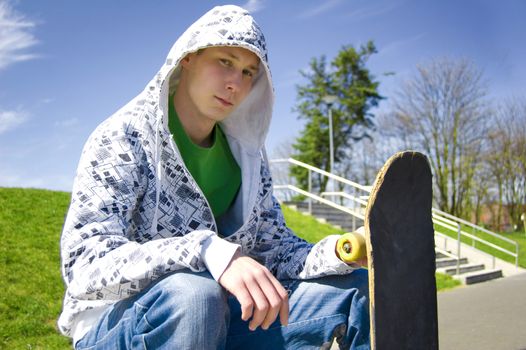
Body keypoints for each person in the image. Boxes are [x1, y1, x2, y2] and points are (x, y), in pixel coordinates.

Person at [58, 5, 369, 349]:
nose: (235, 83)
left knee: (357, 289)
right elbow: (85, 266)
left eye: (249, 72)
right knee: (193, 296)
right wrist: (208, 250)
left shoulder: (246, 156)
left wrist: (343, 251)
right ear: (188, 56)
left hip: (222, 318)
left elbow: (275, 249)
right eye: (225, 62)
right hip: (120, 325)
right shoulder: (122, 137)